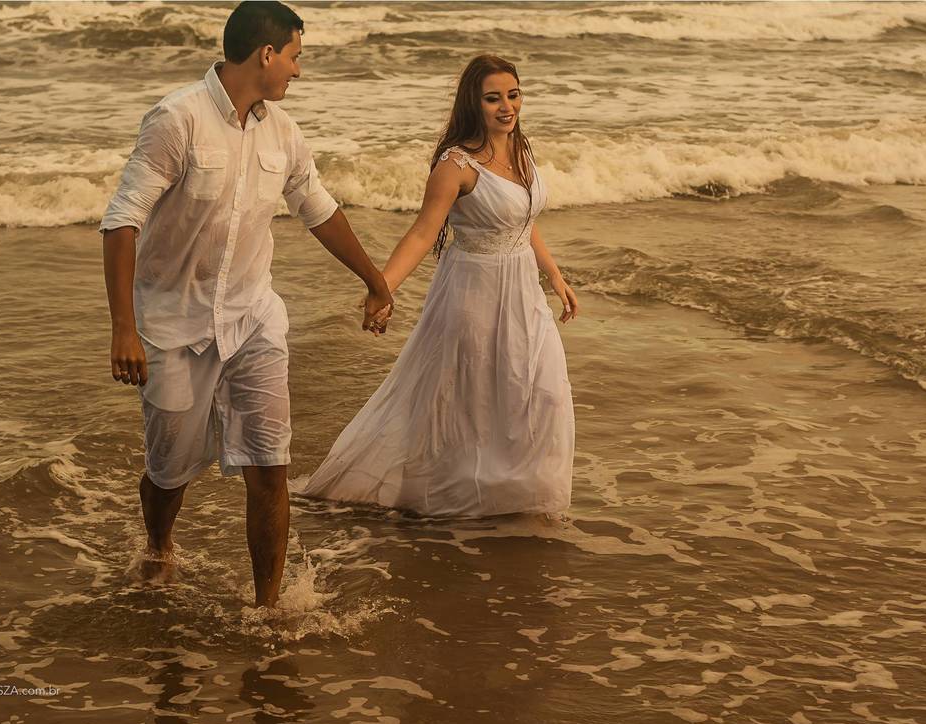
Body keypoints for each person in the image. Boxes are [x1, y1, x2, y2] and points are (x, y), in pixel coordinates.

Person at [99, 2, 392, 608]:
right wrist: (123, 327)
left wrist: (375, 280)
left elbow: (319, 209)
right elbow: (122, 221)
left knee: (269, 465)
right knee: (169, 470)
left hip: (253, 317)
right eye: (295, 57)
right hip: (173, 323)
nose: (298, 71)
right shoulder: (176, 119)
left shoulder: (283, 132)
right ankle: (159, 543)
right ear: (266, 54)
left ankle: (268, 608)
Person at [303, 54, 578, 518]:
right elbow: (421, 234)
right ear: (473, 102)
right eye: (493, 99)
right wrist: (382, 288)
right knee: (468, 399)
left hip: (523, 293)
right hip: (474, 292)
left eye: (513, 95)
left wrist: (554, 276)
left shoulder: (520, 148)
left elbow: (524, 221)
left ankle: (515, 497)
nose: (507, 107)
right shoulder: (456, 165)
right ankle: (453, 499)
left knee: (540, 392)